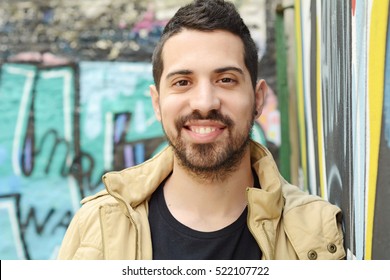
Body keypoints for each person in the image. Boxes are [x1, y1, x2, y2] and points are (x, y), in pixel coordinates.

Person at [58, 0, 345, 260]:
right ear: (157, 103)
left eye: (226, 80)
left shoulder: (318, 235)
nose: (205, 103)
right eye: (183, 82)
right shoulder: (98, 227)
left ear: (258, 99)